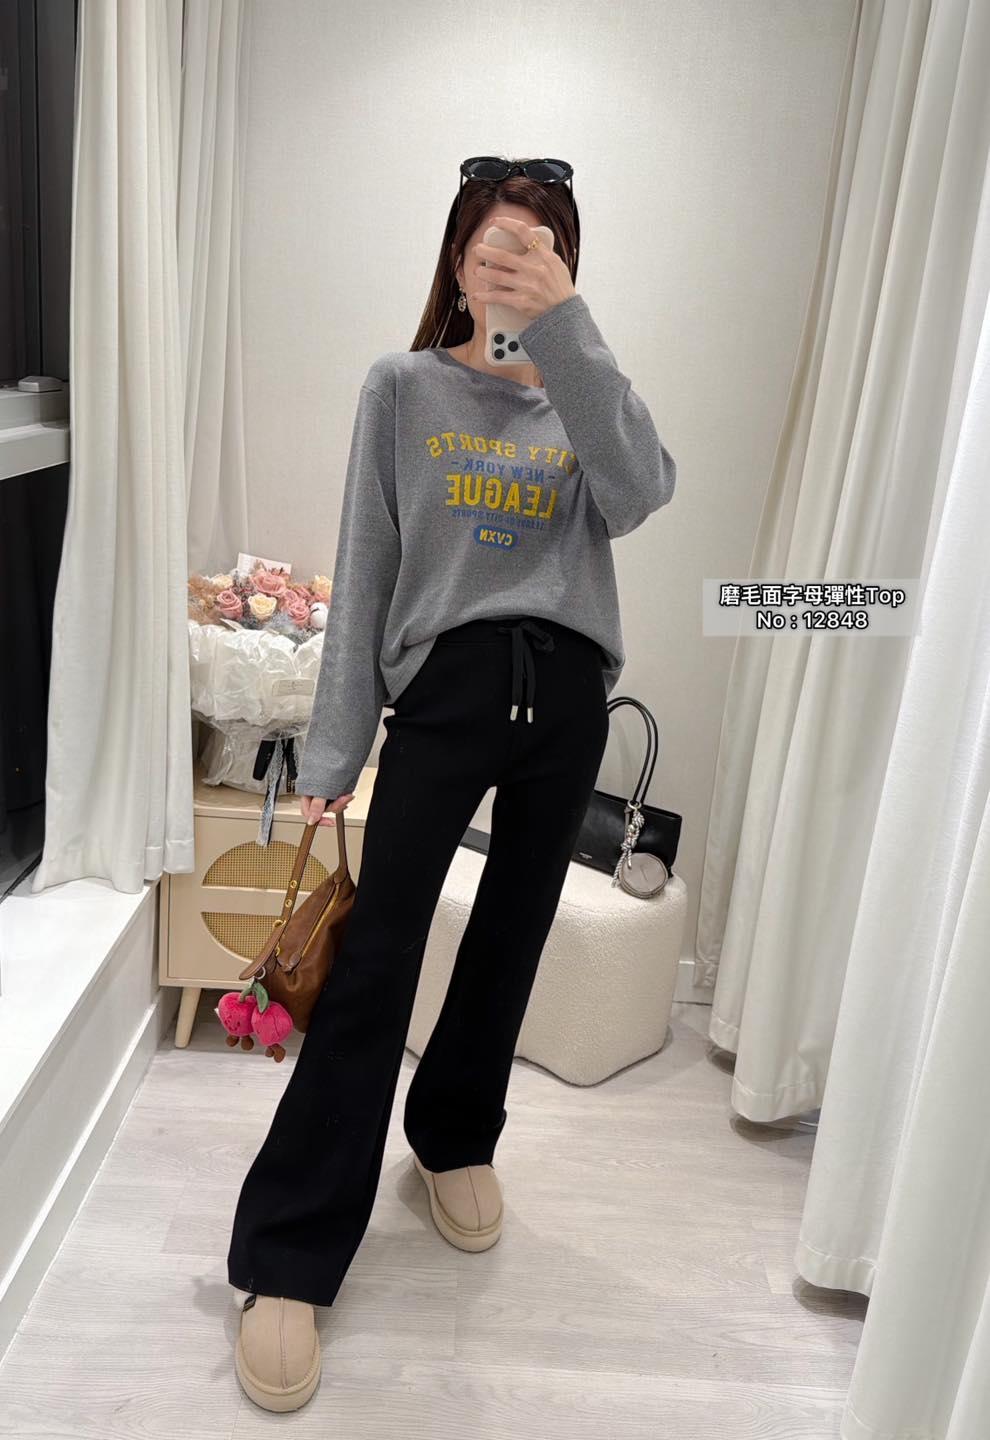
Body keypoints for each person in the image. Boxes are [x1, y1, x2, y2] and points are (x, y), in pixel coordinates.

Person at [227, 156, 677, 1412]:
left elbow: (641, 496)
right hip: (446, 693)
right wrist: (332, 753)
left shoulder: (590, 399)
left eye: (539, 247)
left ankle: (453, 1139)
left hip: (567, 700)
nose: (512, 263)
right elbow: (367, 564)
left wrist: (568, 332)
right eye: (494, 244)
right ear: (458, 260)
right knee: (375, 961)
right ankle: (290, 1251)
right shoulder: (404, 386)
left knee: (509, 945)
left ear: (566, 267)